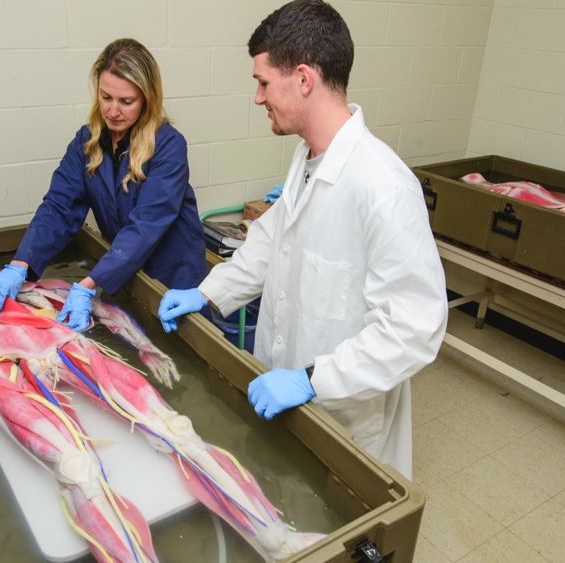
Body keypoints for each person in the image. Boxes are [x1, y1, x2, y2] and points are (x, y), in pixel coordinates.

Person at [156, 0, 447, 478]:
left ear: (304, 79)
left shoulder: (384, 187)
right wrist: (207, 293)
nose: (257, 97)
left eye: (263, 82)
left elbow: (414, 327)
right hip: (285, 395)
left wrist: (314, 380)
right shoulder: (308, 160)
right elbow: (271, 244)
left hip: (348, 422)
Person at [0, 38, 207, 331]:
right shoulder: (87, 142)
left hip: (173, 274)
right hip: (124, 268)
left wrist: (89, 284)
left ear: (148, 100)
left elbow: (145, 226)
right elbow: (60, 207)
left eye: (126, 101)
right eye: (105, 97)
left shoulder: (169, 146)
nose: (113, 111)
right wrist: (21, 264)